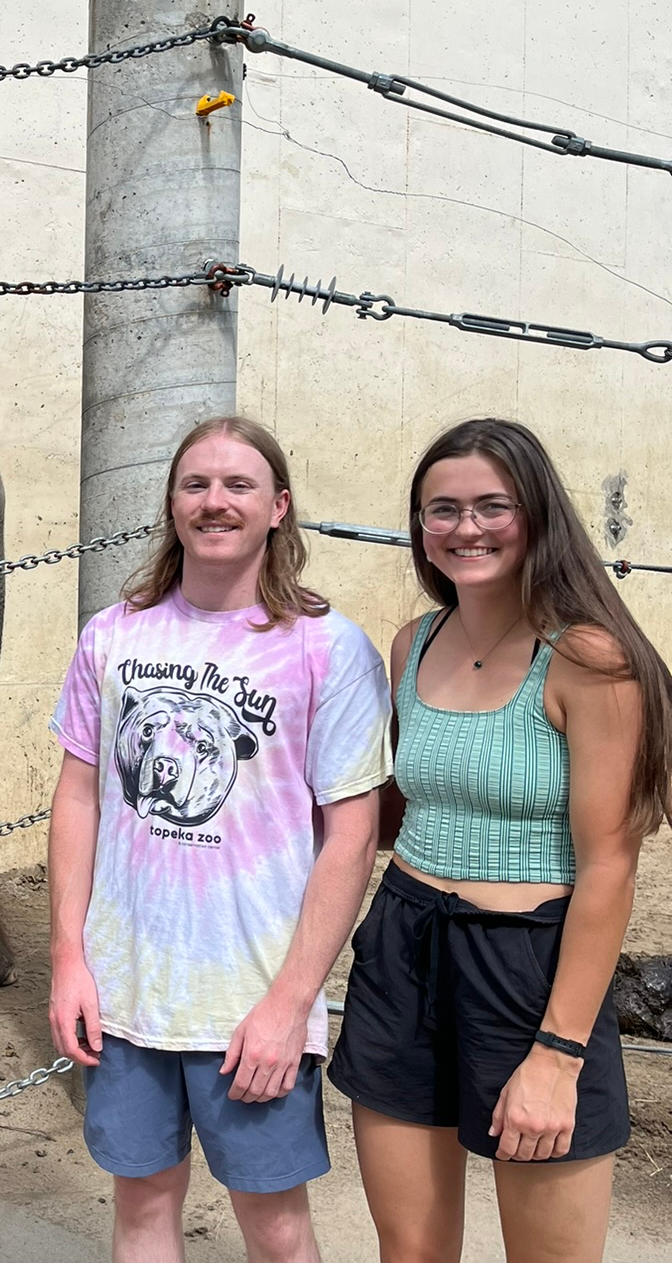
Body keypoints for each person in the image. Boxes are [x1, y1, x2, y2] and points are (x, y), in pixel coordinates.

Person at [48, 416, 392, 1263]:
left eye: (238, 485)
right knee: (141, 1208)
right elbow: (79, 797)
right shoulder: (114, 635)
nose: (215, 501)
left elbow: (352, 835)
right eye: (196, 484)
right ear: (171, 504)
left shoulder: (326, 647)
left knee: (275, 1230)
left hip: (252, 998)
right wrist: (68, 958)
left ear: (278, 506)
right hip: (127, 989)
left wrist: (290, 1004)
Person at [329, 418, 671, 1263]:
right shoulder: (414, 642)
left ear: (537, 514)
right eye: (440, 509)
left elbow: (609, 867)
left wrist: (557, 1053)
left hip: (532, 965)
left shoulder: (592, 660)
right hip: (403, 943)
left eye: (492, 505)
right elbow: (400, 813)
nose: (465, 527)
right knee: (409, 1249)